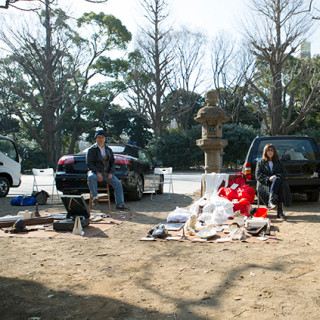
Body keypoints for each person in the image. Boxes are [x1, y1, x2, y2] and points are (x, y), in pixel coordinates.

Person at [86, 129, 129, 210]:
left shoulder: (108, 150)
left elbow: (113, 162)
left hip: (106, 172)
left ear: (105, 138)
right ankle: (95, 197)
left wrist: (111, 173)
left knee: (118, 183)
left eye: (102, 137)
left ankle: (120, 204)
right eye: (99, 137)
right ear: (96, 139)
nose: (100, 139)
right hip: (95, 172)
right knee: (91, 177)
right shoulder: (91, 150)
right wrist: (97, 173)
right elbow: (89, 164)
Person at [255, 143, 290, 220]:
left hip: (277, 182)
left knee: (278, 181)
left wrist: (275, 176)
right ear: (265, 152)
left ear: (274, 152)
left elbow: (284, 173)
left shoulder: (279, 162)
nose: (270, 152)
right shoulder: (260, 163)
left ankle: (271, 201)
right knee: (279, 185)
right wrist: (268, 178)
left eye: (272, 150)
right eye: (268, 150)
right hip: (265, 184)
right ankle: (279, 212)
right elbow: (258, 175)